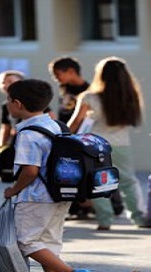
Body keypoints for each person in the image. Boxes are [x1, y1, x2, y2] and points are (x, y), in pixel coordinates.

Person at [3, 79, 93, 272]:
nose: (7, 105)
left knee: (26, 241)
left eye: (7, 101)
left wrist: (13, 190)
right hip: (59, 194)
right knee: (48, 242)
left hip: (36, 197)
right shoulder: (56, 125)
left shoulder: (27, 134)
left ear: (17, 103)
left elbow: (30, 171)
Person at [67, 57, 148, 230]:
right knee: (127, 181)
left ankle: (105, 220)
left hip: (96, 144)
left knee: (99, 182)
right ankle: (138, 218)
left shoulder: (89, 97)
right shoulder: (130, 97)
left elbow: (74, 123)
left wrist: (61, 137)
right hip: (121, 144)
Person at [48, 56, 98, 220]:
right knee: (68, 170)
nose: (56, 79)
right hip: (65, 130)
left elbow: (82, 117)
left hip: (79, 133)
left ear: (71, 71)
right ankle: (76, 205)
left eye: (58, 74)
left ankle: (88, 204)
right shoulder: (64, 87)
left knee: (83, 169)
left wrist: (67, 134)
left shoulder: (88, 90)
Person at [0, 70, 25, 152]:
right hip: (15, 143)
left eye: (10, 81)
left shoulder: (32, 101)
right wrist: (0, 146)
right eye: (2, 82)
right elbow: (5, 127)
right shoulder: (5, 106)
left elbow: (50, 116)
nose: (5, 85)